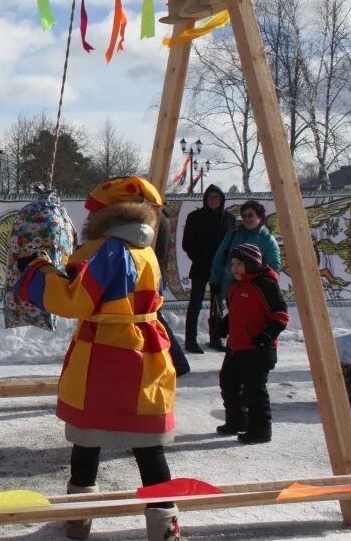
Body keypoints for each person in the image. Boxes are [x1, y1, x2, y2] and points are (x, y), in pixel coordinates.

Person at [17, 177, 184, 541]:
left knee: (87, 439)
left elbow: (76, 301)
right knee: (148, 446)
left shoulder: (109, 250)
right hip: (145, 355)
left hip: (105, 354)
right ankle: (165, 528)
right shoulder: (145, 250)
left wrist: (36, 270)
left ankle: (79, 520)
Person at [216, 243, 289, 444]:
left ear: (251, 263)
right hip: (236, 347)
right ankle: (237, 422)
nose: (235, 268)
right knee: (228, 383)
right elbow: (237, 312)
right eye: (233, 264)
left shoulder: (265, 285)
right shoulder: (235, 287)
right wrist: (224, 325)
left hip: (258, 349)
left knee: (254, 391)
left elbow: (281, 315)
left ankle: (260, 431)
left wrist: (266, 337)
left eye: (240, 264)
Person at [208, 200, 281, 352]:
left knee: (252, 321)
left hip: (256, 290)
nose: (247, 219)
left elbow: (274, 266)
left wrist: (266, 283)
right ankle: (234, 351)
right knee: (235, 321)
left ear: (260, 217)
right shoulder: (233, 234)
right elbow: (219, 257)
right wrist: (215, 282)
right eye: (244, 215)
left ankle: (253, 350)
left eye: (251, 215)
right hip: (232, 287)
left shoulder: (267, 239)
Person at [181, 185, 235, 354]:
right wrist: (200, 257)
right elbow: (187, 243)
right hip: (201, 265)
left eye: (216, 198)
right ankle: (190, 340)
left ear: (221, 200)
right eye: (210, 197)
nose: (213, 201)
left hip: (220, 269)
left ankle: (215, 338)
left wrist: (225, 262)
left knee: (216, 304)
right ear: (205, 199)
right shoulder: (195, 217)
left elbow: (232, 241)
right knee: (195, 304)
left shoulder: (228, 218)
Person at [153, 206, 190, 377]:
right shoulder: (162, 218)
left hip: (154, 273)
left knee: (155, 317)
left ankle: (178, 361)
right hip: (158, 272)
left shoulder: (157, 219)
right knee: (155, 317)